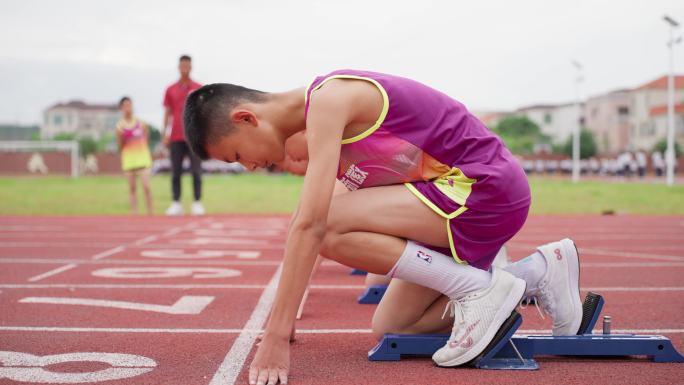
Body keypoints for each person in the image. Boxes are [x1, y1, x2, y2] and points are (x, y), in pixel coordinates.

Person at [183, 70, 582, 384]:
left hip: (481, 187)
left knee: (328, 226)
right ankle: (536, 274)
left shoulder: (329, 100)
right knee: (394, 327)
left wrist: (275, 334)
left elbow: (313, 224)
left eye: (236, 155)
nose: (248, 166)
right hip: (449, 204)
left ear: (246, 118)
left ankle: (479, 289)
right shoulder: (320, 125)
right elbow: (315, 218)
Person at [162, 54, 204, 215]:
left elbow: (203, 113)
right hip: (175, 137)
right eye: (182, 66)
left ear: (191, 67)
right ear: (179, 67)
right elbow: (167, 112)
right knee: (176, 171)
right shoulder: (170, 89)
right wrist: (164, 133)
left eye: (188, 65)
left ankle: (197, 202)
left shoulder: (199, 88)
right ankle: (176, 203)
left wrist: (203, 133)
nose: (185, 68)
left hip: (193, 137)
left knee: (196, 170)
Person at [116, 96, 153, 215]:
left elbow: (147, 137)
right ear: (121, 108)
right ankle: (134, 212)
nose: (128, 108)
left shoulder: (140, 123)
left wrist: (142, 148)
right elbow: (120, 145)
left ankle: (150, 212)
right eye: (125, 106)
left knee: (146, 187)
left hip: (143, 159)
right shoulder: (119, 126)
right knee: (132, 188)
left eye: (130, 105)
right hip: (129, 160)